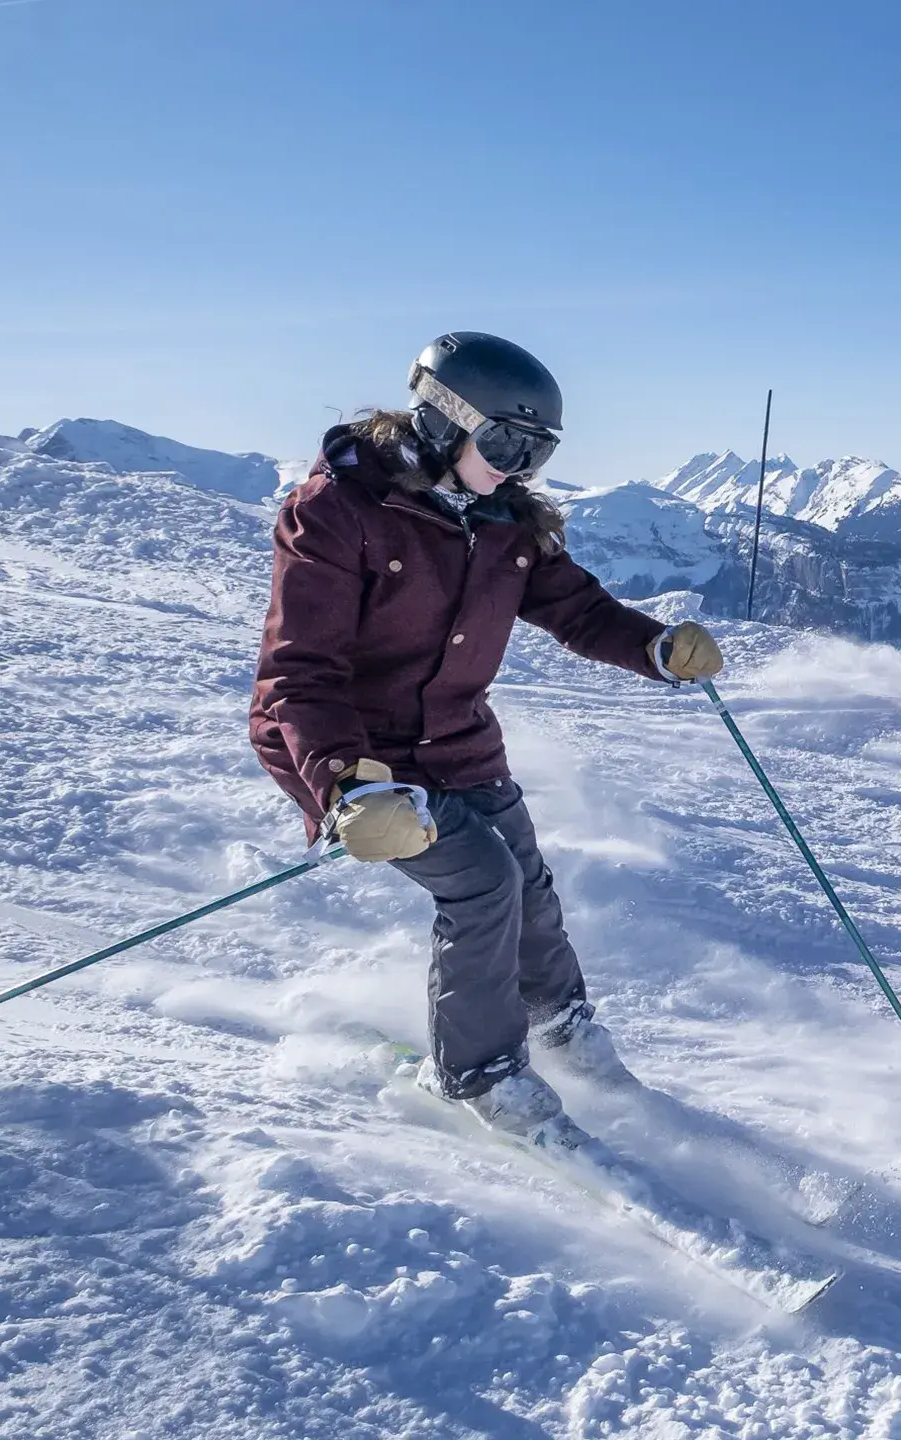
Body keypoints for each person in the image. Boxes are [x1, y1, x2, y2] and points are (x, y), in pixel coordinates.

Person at [249, 332, 725, 1140]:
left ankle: (560, 1025)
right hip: (352, 750)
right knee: (480, 882)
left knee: (528, 881)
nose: (518, 466)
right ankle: (479, 1072)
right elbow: (300, 673)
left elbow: (578, 609)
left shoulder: (505, 522)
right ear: (442, 419)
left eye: (536, 450)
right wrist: (344, 783)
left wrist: (653, 648)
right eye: (505, 442)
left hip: (457, 739)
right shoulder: (337, 512)